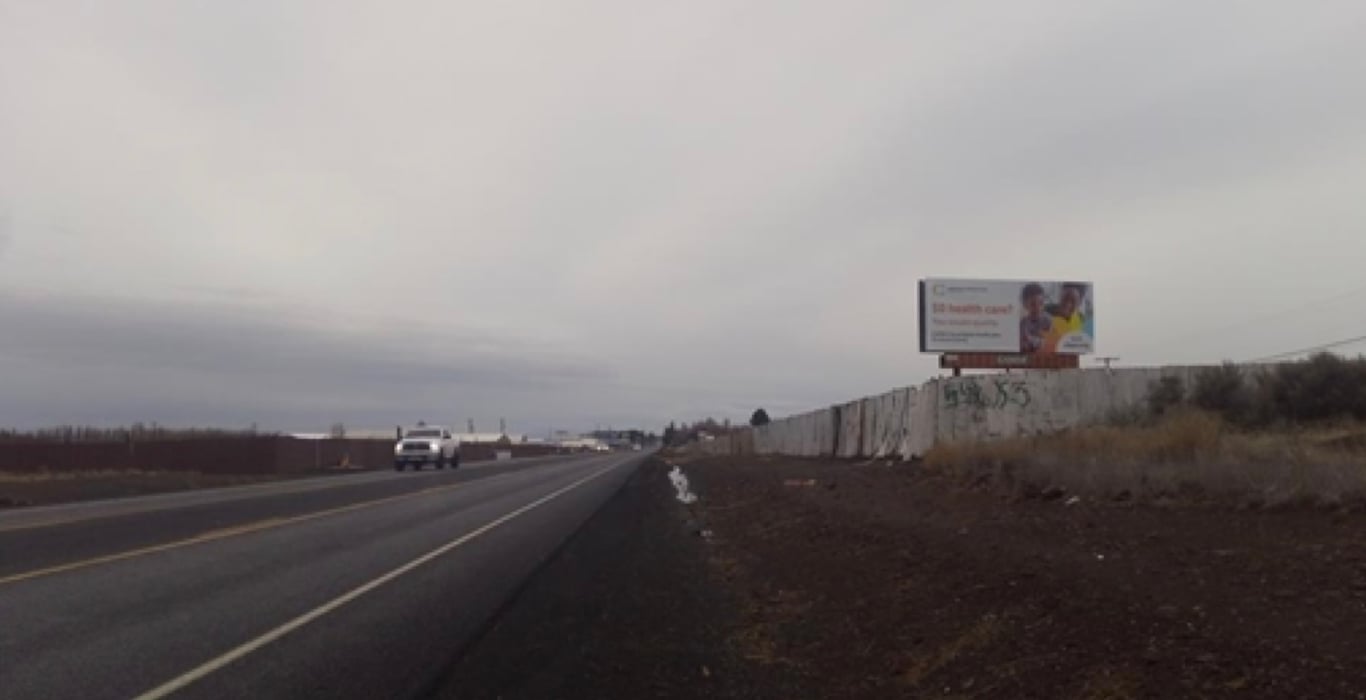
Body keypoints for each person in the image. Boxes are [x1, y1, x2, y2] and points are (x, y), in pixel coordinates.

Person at [1019, 283, 1052, 353]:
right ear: (1025, 305)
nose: (1038, 308)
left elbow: (1049, 341)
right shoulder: (1023, 323)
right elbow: (1022, 343)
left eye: (1041, 303)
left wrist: (1031, 340)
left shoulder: (1048, 320)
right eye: (1033, 304)